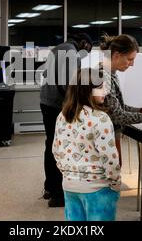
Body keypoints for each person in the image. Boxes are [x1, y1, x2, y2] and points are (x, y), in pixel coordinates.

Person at [52, 68, 121, 221]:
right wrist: (115, 181)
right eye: (100, 87)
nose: (105, 91)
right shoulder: (101, 119)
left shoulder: (62, 116)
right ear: (86, 90)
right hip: (98, 187)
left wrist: (68, 174)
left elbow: (56, 150)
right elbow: (109, 157)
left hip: (69, 185)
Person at [40, 32, 93, 207]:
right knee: (61, 148)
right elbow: (68, 85)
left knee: (51, 145)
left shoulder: (57, 49)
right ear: (84, 43)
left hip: (46, 102)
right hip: (58, 105)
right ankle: (58, 195)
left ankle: (49, 187)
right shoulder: (72, 52)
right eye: (88, 50)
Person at [99, 34, 142, 165]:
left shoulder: (108, 73)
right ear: (116, 55)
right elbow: (118, 116)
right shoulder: (104, 76)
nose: (132, 64)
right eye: (129, 59)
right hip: (104, 137)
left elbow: (117, 105)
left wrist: (140, 111)